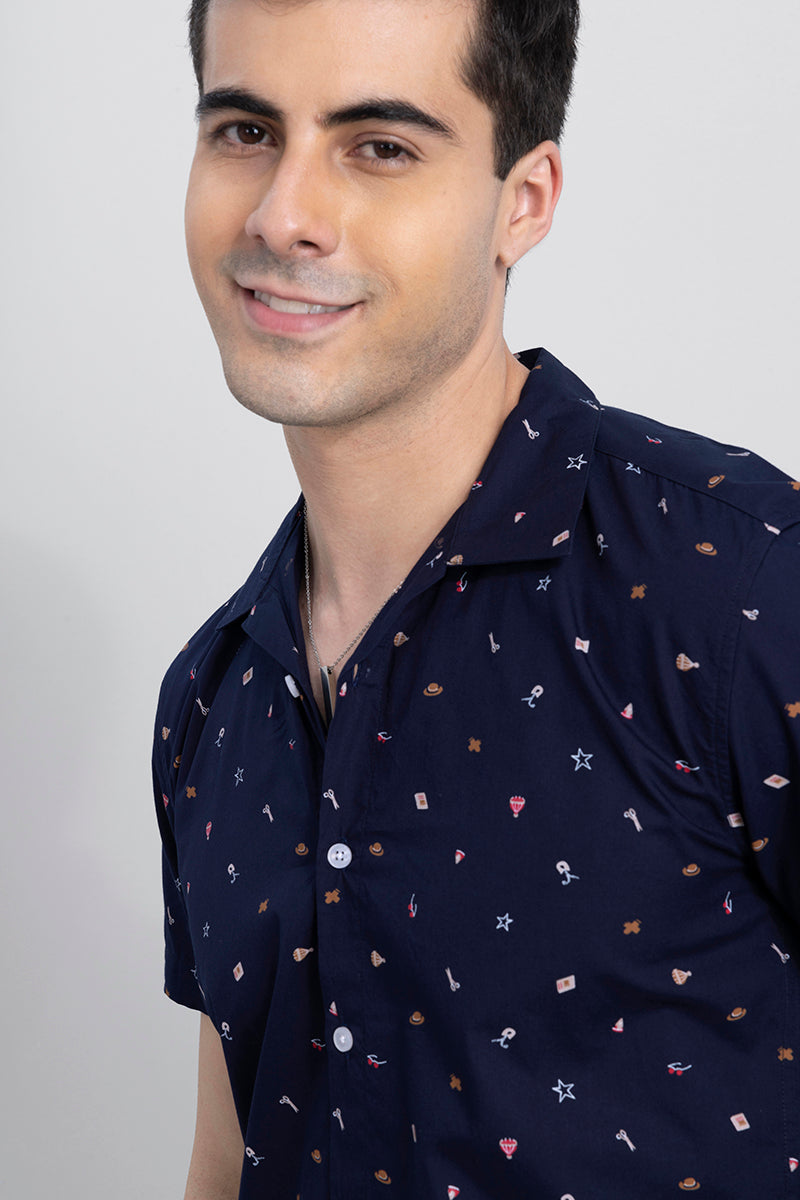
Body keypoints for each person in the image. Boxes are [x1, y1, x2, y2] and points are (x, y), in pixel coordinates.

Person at [152, 1, 800, 1196]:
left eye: (378, 146)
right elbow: (226, 1159)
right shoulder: (211, 696)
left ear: (523, 200)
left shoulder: (741, 585)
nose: (282, 214)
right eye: (245, 131)